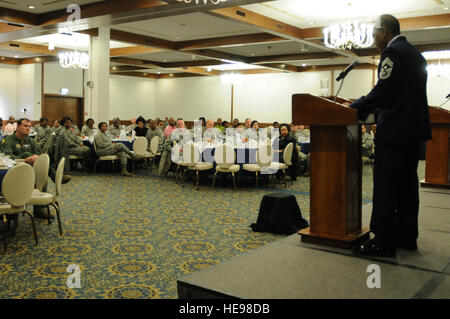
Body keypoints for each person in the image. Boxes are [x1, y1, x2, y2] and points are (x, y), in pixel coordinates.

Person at [350, 14, 432, 257]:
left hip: (394, 133)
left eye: (374, 33)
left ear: (384, 32)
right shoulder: (416, 54)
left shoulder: (392, 52)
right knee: (407, 187)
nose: (373, 38)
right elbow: (401, 93)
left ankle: (383, 241)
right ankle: (407, 236)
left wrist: (353, 107)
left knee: (385, 188)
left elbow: (383, 90)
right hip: (412, 132)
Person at [1, 118, 71, 218]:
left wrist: (34, 158)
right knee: (27, 154)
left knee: (41, 175)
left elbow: (39, 156)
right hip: (13, 171)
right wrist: (25, 159)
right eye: (25, 126)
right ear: (18, 127)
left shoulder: (31, 141)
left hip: (30, 170)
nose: (28, 128)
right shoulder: (7, 140)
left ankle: (39, 209)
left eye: (29, 126)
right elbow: (7, 156)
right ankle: (54, 176)